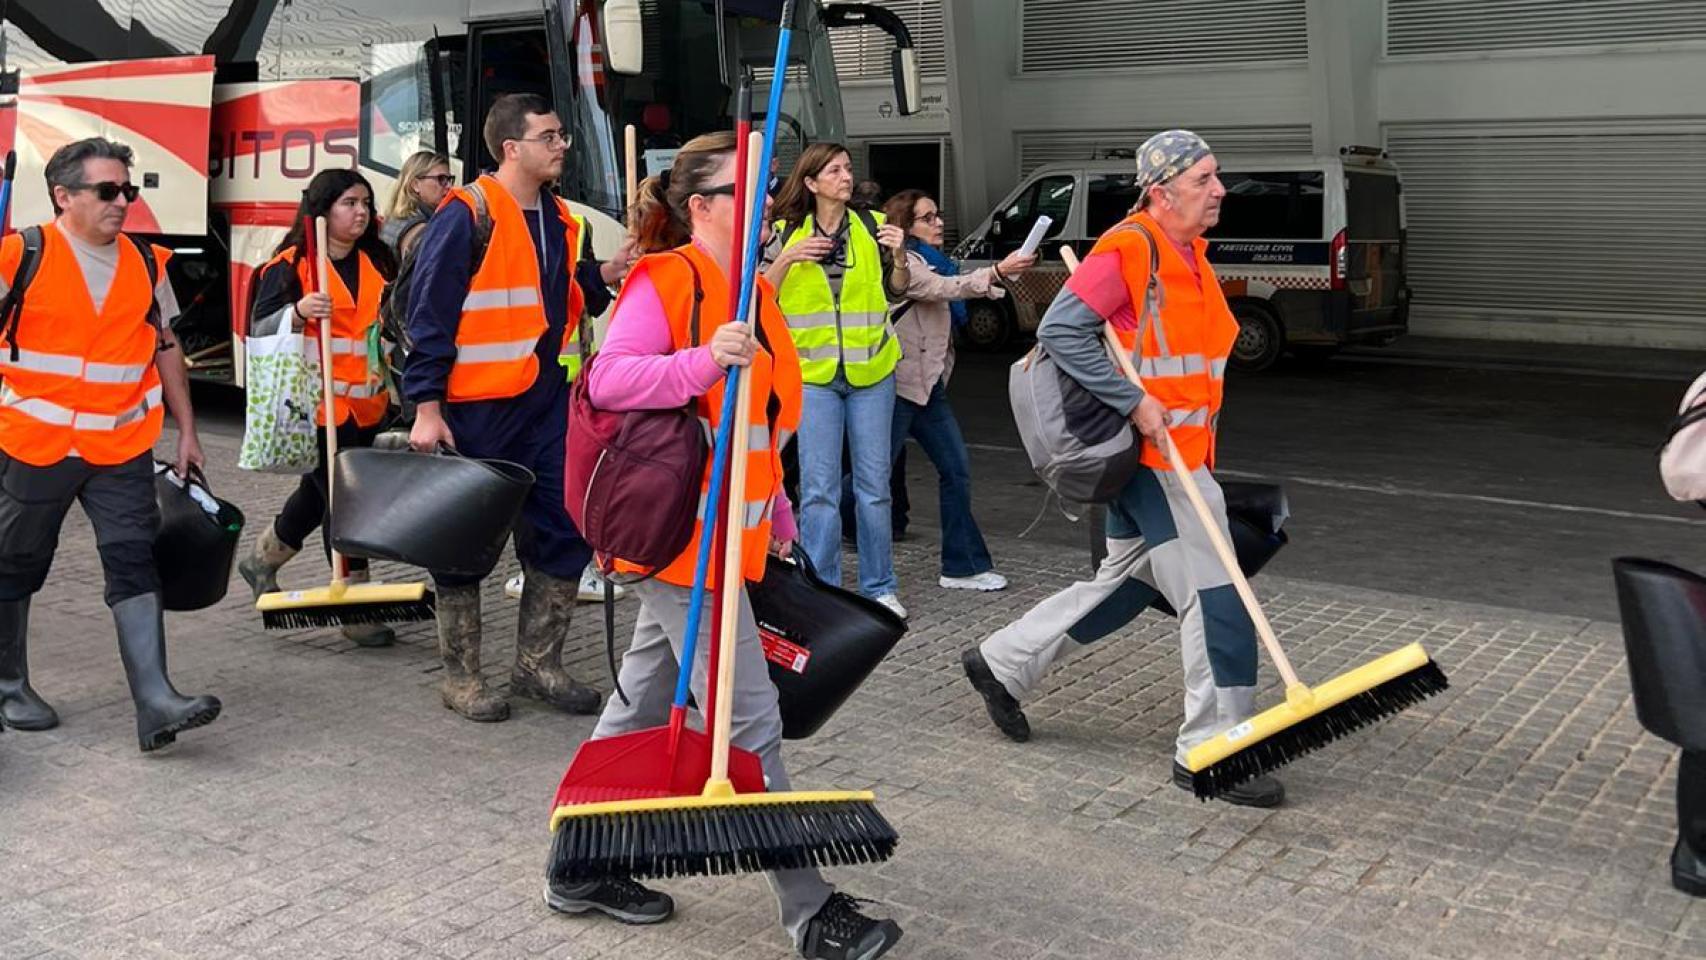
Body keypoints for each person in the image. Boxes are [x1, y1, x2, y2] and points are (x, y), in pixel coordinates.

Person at [551, 130, 903, 960]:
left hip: (728, 547)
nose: (768, 202)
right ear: (702, 206)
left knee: (638, 703)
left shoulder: (760, 294)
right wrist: (704, 359)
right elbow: (610, 379)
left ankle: (575, 866)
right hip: (683, 548)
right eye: (747, 189)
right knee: (748, 723)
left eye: (767, 188)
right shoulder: (669, 279)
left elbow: (764, 427)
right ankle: (812, 914)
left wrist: (778, 520)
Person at [961, 130, 1285, 807]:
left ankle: (1003, 662)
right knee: (1217, 593)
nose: (1220, 189)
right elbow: (1061, 329)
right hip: (1151, 459)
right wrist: (1134, 402)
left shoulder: (1188, 252)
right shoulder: (1130, 247)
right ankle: (1214, 748)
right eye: (1204, 180)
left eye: (1216, 176)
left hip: (1184, 454)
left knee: (1132, 582)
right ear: (1162, 193)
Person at [404, 93, 622, 722]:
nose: (561, 146)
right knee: (465, 541)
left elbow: (552, 296)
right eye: (549, 136)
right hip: (474, 408)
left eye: (560, 136)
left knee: (562, 526)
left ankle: (537, 666)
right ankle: (462, 677)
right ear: (511, 148)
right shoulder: (465, 214)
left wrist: (604, 272)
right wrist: (427, 407)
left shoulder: (558, 218)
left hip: (543, 402)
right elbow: (430, 318)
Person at [0, 137, 220, 750]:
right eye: (107, 191)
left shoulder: (147, 264)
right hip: (34, 443)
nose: (122, 201)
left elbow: (165, 346)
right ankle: (9, 684)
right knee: (15, 562)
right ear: (63, 195)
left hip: (120, 445)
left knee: (132, 559)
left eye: (129, 189)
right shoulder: (21, 256)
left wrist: (189, 432)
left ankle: (156, 701)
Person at [238, 169, 401, 647]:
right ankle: (356, 604)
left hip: (365, 406)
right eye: (349, 202)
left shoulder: (379, 262)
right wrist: (297, 312)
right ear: (323, 210)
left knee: (319, 494)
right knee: (346, 501)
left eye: (366, 203)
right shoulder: (291, 266)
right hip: (315, 408)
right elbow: (258, 330)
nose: (360, 212)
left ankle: (263, 560)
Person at [765, 144, 909, 618]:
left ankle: (880, 586)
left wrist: (902, 256)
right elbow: (759, 299)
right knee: (819, 488)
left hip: (872, 371)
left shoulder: (870, 226)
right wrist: (788, 258)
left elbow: (898, 290)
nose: (846, 177)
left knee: (874, 486)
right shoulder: (784, 233)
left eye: (848, 169)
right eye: (835, 170)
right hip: (813, 376)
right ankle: (821, 587)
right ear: (811, 183)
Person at [884, 188, 1033, 592]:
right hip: (898, 384)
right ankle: (815, 527)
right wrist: (997, 273)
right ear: (905, 226)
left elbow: (954, 286)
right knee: (867, 480)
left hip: (928, 386)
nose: (937, 224)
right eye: (927, 218)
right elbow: (941, 289)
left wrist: (996, 276)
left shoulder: (939, 263)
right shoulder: (905, 264)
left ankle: (962, 565)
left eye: (938, 215)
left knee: (956, 470)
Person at [380, 150, 452, 260]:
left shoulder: (396, 218)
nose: (449, 186)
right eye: (441, 179)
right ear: (415, 185)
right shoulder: (418, 229)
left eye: (449, 180)